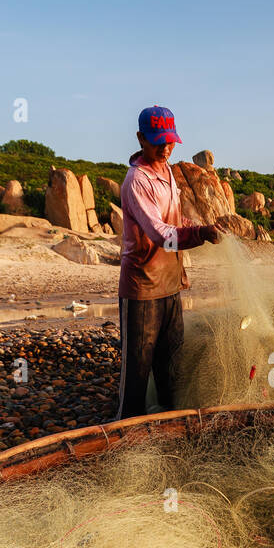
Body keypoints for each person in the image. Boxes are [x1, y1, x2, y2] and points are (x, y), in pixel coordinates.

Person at [114, 105, 221, 420]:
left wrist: (199, 226)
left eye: (169, 140)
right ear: (140, 138)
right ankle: (127, 432)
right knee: (137, 371)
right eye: (157, 141)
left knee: (170, 364)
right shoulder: (137, 180)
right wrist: (201, 234)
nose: (165, 147)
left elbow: (175, 220)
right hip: (142, 288)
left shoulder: (169, 174)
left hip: (170, 285)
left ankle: (167, 424)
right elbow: (161, 235)